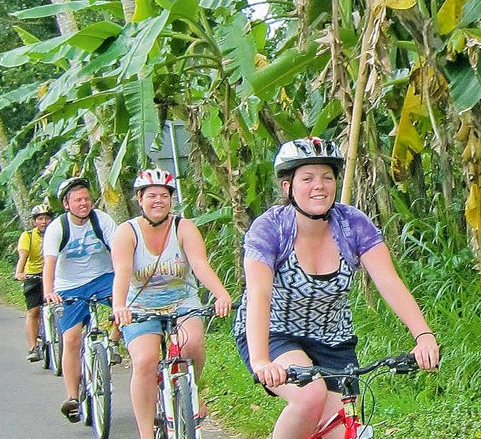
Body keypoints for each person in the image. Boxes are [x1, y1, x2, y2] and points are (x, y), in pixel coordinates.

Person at [238, 137, 440, 439]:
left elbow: (388, 281)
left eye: (327, 177)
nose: (319, 185)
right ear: (287, 188)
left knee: (342, 429)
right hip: (273, 332)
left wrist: (423, 336)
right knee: (309, 397)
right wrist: (261, 361)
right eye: (307, 178)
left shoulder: (353, 225)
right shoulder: (271, 228)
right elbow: (259, 294)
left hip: (333, 339)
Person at [112, 168, 233, 437]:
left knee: (192, 345)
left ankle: (190, 390)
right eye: (151, 195)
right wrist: (119, 306)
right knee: (145, 361)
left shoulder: (183, 227)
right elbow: (121, 271)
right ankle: (146, 432)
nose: (158, 201)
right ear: (140, 199)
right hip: (141, 307)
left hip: (182, 301)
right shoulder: (127, 232)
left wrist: (221, 294)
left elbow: (200, 265)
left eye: (164, 196)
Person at [41, 177, 117, 423]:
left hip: (103, 277)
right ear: (66, 204)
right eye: (77, 200)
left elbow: (118, 253)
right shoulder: (57, 228)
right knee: (71, 339)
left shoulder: (102, 220)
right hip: (69, 285)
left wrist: (125, 283)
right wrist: (49, 291)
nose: (83, 204)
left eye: (86, 199)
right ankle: (73, 397)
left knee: (125, 304)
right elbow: (49, 264)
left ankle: (114, 343)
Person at [15, 205, 56, 362]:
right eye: (40, 218)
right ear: (34, 222)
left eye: (47, 218)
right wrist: (19, 273)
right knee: (33, 312)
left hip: (53, 275)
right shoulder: (28, 236)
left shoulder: (57, 233)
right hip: (34, 276)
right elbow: (23, 256)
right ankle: (33, 347)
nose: (44, 222)